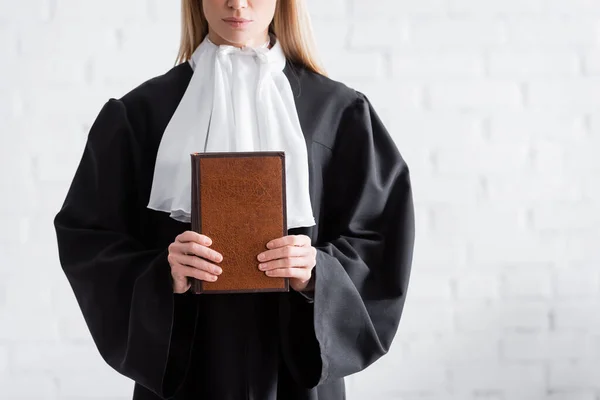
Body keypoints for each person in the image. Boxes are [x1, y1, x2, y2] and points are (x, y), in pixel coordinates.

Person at [53, 0, 415, 399]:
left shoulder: (339, 111)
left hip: (295, 366)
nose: (237, 3)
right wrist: (162, 275)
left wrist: (318, 273)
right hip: (188, 364)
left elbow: (380, 232)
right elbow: (89, 236)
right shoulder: (139, 113)